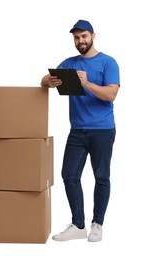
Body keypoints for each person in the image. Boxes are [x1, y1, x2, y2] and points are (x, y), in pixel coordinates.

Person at [41, 19, 120, 242]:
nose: (80, 41)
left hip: (103, 130)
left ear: (93, 36)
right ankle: (78, 225)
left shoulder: (108, 62)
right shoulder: (69, 63)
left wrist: (87, 84)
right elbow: (43, 80)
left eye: (84, 36)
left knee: (101, 177)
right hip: (77, 131)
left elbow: (111, 95)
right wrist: (50, 80)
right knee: (69, 175)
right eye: (76, 38)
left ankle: (97, 224)